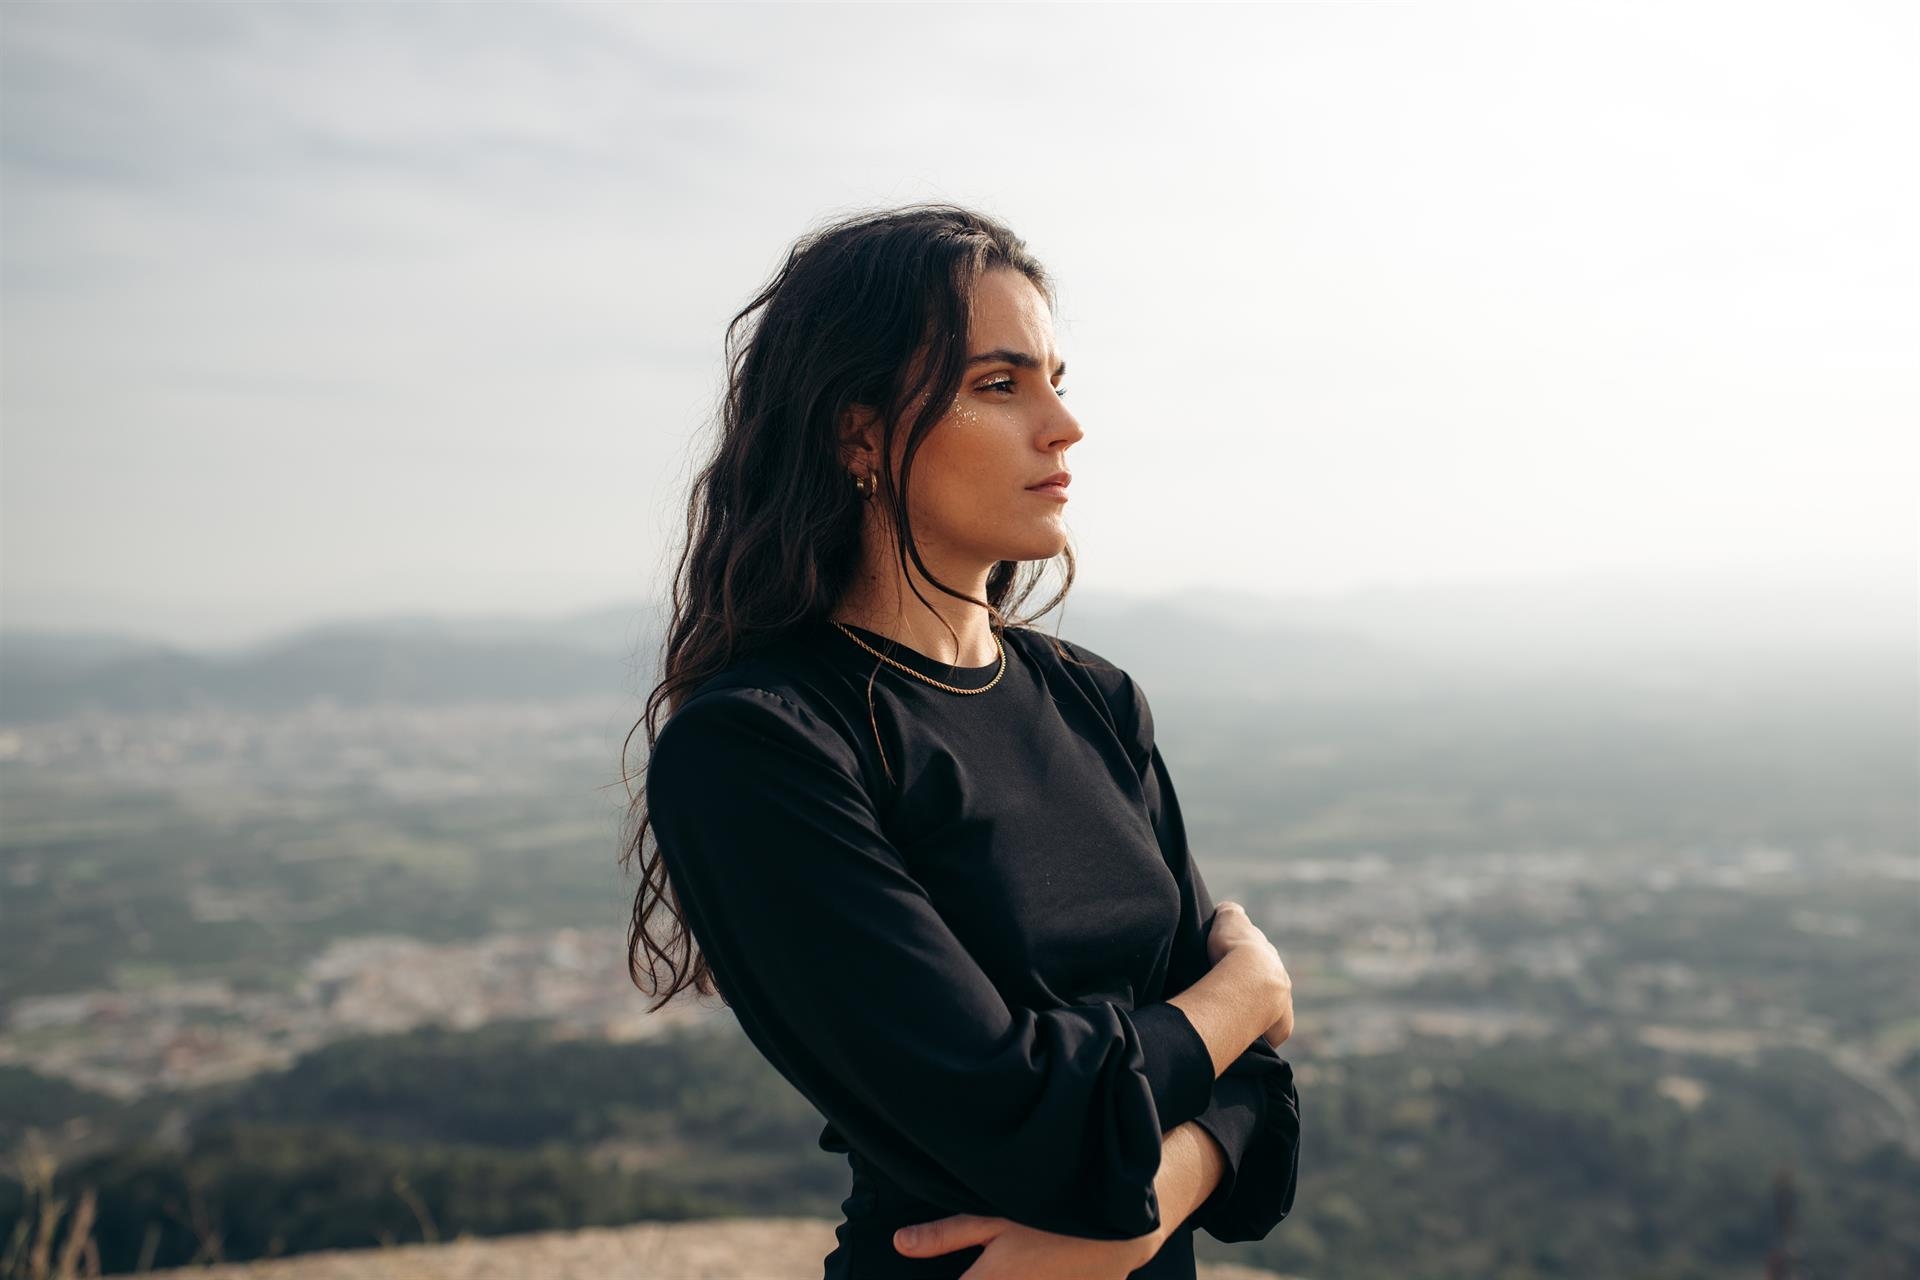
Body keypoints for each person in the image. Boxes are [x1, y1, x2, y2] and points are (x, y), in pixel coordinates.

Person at [620, 203, 1300, 1280]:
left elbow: (1258, 1092)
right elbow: (1014, 1109)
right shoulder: (759, 746)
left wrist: (1134, 1213)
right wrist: (1239, 995)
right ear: (857, 434)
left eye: (1056, 378)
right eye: (999, 384)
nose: (1063, 424)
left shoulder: (1095, 700)